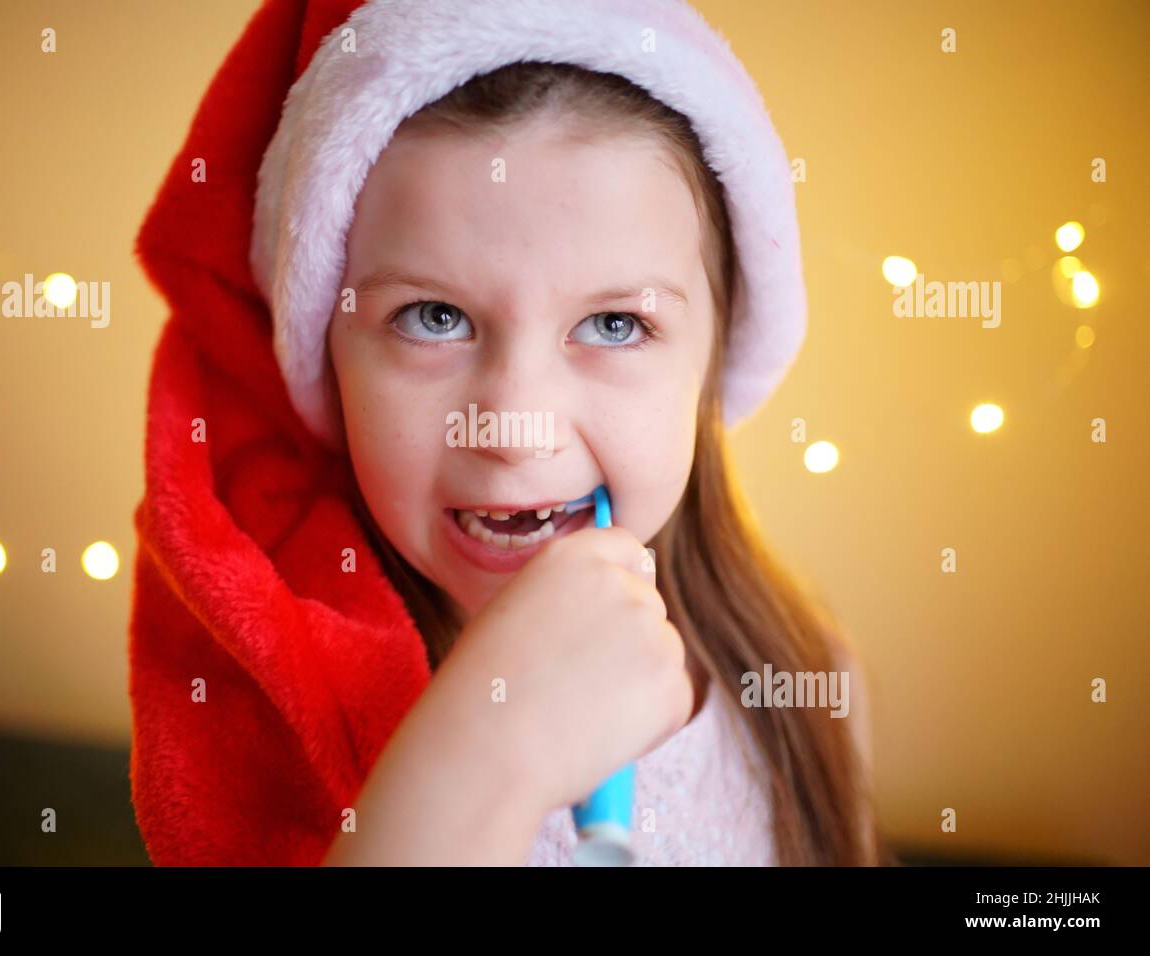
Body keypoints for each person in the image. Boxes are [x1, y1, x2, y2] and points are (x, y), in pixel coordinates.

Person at [129, 0, 884, 867]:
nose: (515, 428)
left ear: (713, 356)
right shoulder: (272, 736)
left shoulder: (805, 681)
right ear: (325, 357)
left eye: (613, 325)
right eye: (434, 315)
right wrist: (477, 762)